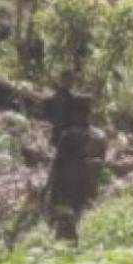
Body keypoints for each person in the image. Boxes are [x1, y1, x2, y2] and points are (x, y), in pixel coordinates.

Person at [43, 90, 108, 244]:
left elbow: (58, 164)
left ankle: (64, 245)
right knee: (76, 215)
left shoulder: (69, 135)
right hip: (89, 185)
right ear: (90, 112)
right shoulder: (101, 136)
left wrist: (48, 187)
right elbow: (102, 163)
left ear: (74, 113)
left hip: (67, 185)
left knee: (64, 218)